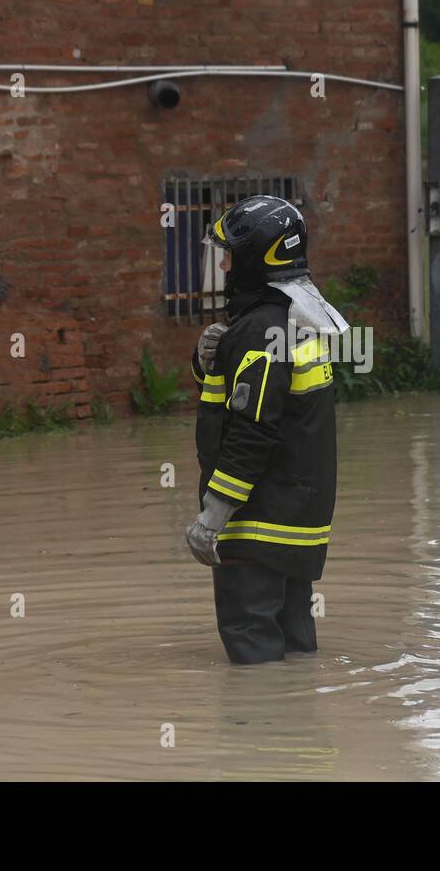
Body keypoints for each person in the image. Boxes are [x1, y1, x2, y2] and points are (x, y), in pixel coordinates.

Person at [185, 195, 349, 664]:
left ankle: (258, 730)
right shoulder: (300, 322)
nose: (222, 263)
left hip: (256, 524)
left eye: (230, 255)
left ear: (255, 260)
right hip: (298, 526)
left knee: (252, 655)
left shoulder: (258, 330)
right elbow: (269, 404)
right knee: (295, 649)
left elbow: (252, 430)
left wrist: (213, 515)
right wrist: (206, 363)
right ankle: (301, 726)